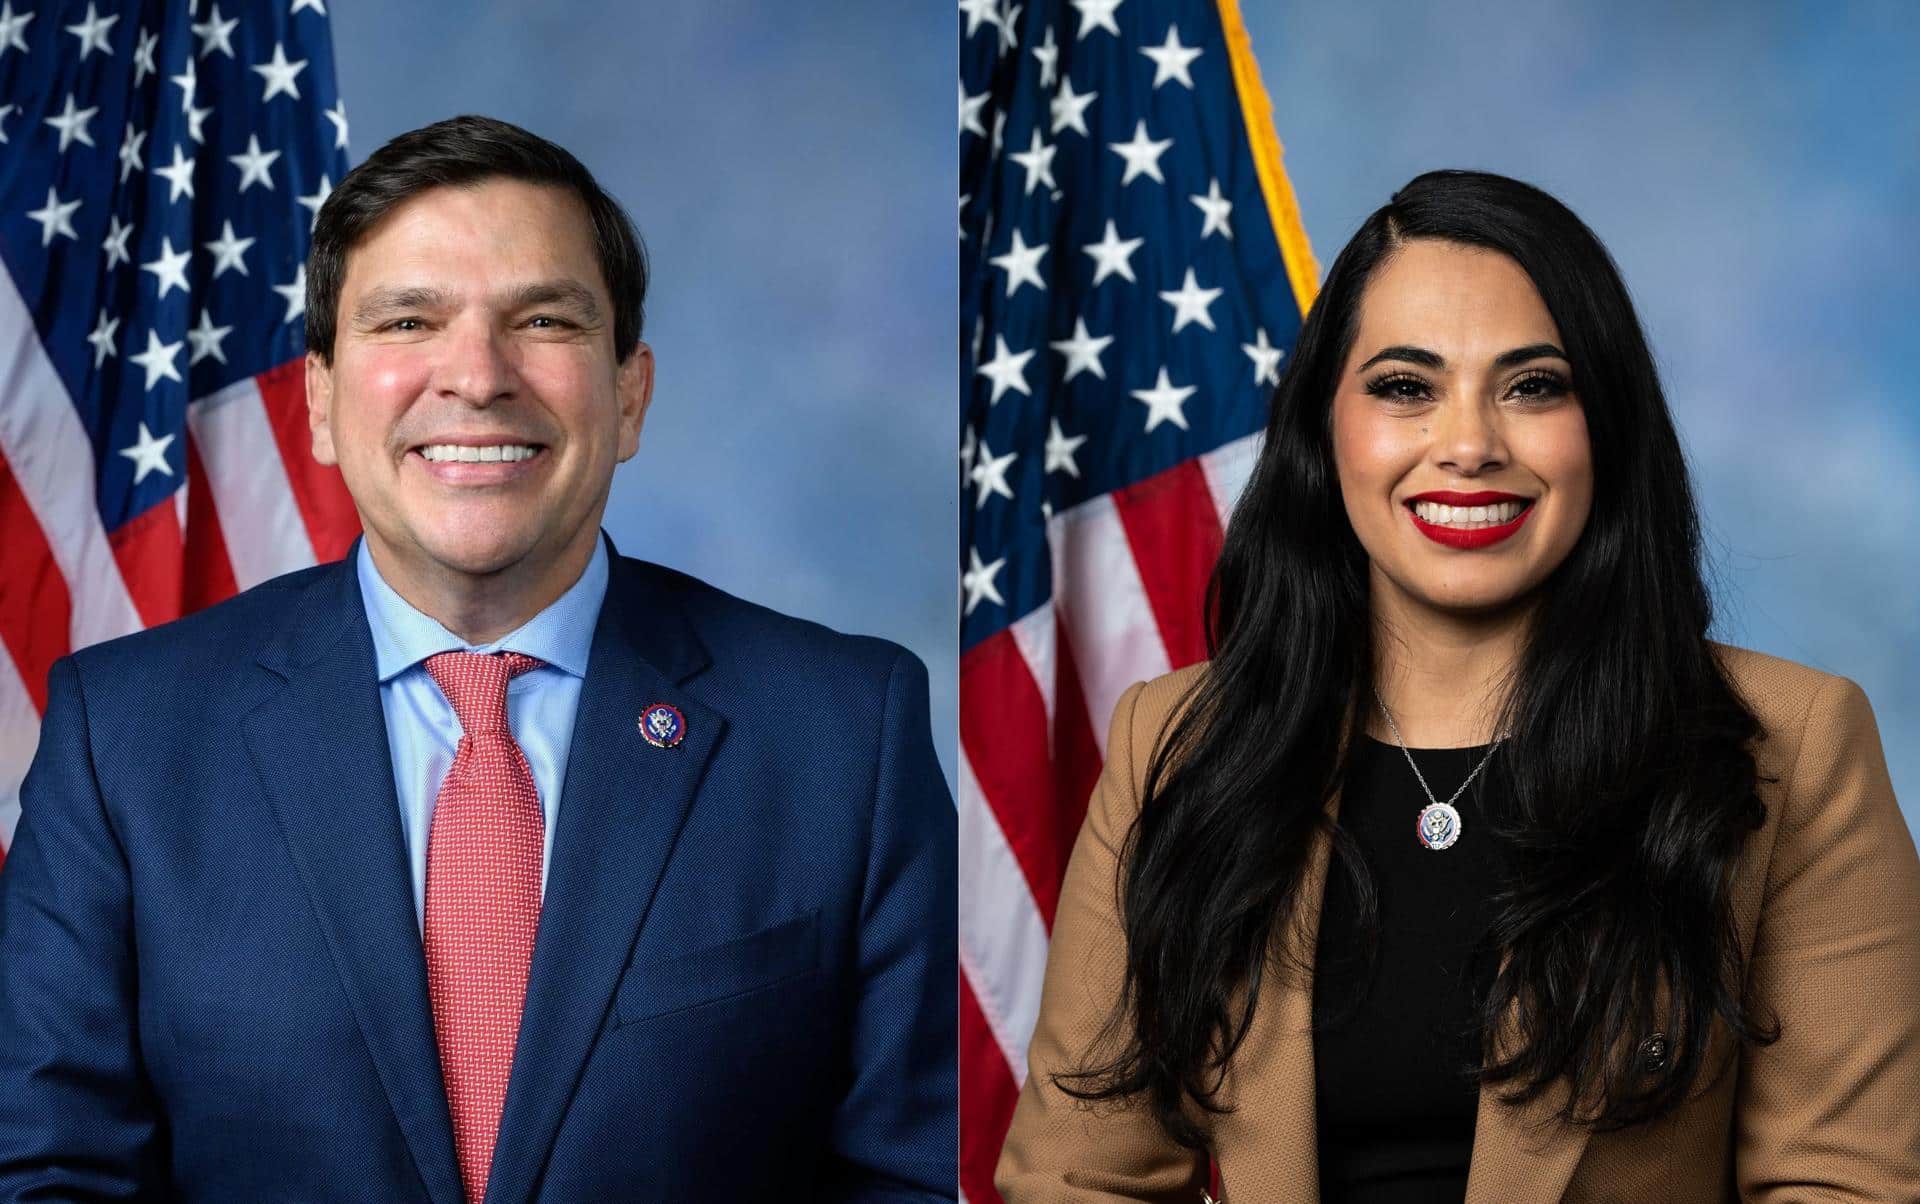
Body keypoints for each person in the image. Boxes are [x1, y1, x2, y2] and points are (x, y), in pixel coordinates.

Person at [0, 115, 956, 1202]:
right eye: (409, 319)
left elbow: (910, 1176)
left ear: (630, 392)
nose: (478, 376)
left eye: (542, 318)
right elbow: (51, 1175)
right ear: (318, 399)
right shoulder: (121, 737)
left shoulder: (843, 731)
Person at [996, 170, 1920, 1202]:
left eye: (1533, 385)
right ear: (1325, 428)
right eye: (1405, 387)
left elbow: (1847, 1185)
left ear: (1604, 428)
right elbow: (1078, 1178)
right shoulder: (1179, 744)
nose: (1470, 444)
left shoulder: (1793, 744)